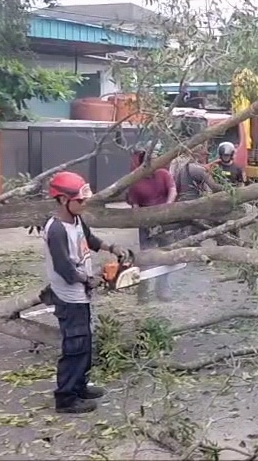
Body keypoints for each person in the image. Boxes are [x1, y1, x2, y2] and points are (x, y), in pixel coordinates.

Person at [40, 171, 129, 414]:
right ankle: (66, 397)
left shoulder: (76, 220)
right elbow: (64, 268)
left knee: (85, 342)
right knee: (74, 345)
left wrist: (111, 247)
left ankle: (80, 385)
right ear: (62, 200)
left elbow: (89, 239)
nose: (84, 203)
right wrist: (88, 280)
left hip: (80, 295)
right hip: (69, 296)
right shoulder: (57, 229)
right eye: (80, 200)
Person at [126, 146, 177, 302]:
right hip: (146, 223)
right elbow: (134, 205)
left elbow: (173, 190)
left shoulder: (164, 174)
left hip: (164, 222)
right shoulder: (136, 180)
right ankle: (143, 291)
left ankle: (163, 288)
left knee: (166, 255)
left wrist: (167, 207)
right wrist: (141, 219)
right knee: (146, 257)